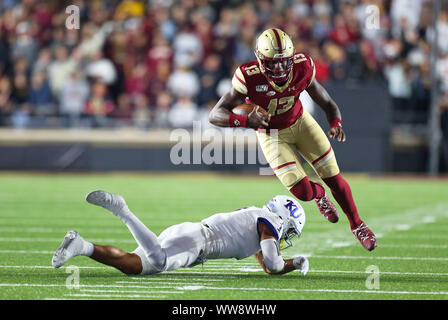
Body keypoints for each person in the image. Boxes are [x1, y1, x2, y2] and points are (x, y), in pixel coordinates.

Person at [209, 28, 377, 251]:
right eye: (272, 63)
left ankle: (357, 225)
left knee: (334, 177)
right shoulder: (248, 76)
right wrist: (246, 121)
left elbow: (327, 103)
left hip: (301, 124)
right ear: (260, 60)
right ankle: (319, 194)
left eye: (283, 62)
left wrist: (335, 123)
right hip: (272, 134)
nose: (278, 68)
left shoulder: (302, 66)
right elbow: (216, 114)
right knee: (303, 193)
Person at [52, 191, 309, 276]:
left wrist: (289, 264)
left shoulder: (257, 218)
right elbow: (275, 264)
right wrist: (295, 262)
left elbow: (266, 265)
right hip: (199, 242)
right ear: (284, 217)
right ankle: (122, 211)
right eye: (290, 228)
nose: (286, 234)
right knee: (160, 261)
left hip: (191, 234)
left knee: (134, 265)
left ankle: (81, 246)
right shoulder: (269, 222)